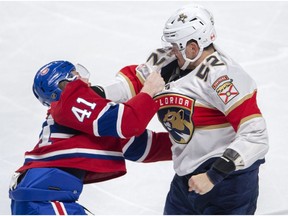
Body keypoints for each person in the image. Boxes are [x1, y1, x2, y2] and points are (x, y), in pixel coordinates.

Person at [100, 4, 269, 215]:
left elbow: (256, 136)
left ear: (193, 47)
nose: (170, 49)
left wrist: (213, 175)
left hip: (227, 183)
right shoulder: (166, 58)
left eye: (175, 45)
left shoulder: (223, 77)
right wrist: (94, 94)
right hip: (186, 176)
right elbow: (135, 81)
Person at [9, 60, 172, 215]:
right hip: (44, 201)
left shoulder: (87, 120)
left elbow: (144, 147)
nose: (86, 79)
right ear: (65, 84)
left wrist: (191, 146)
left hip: (43, 198)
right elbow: (129, 122)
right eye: (76, 73)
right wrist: (149, 90)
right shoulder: (69, 103)